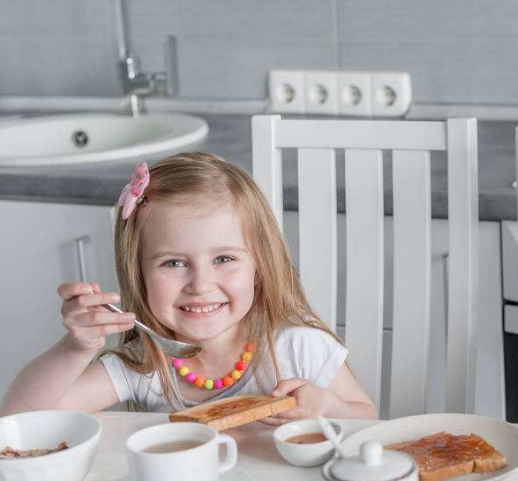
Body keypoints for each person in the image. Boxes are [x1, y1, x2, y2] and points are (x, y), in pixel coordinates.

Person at [2, 153, 377, 422]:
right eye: (174, 263)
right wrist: (76, 348)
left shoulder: (297, 347)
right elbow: (18, 421)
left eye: (224, 259)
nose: (201, 284)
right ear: (139, 274)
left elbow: (367, 418)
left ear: (259, 267)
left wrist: (327, 407)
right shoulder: (145, 365)